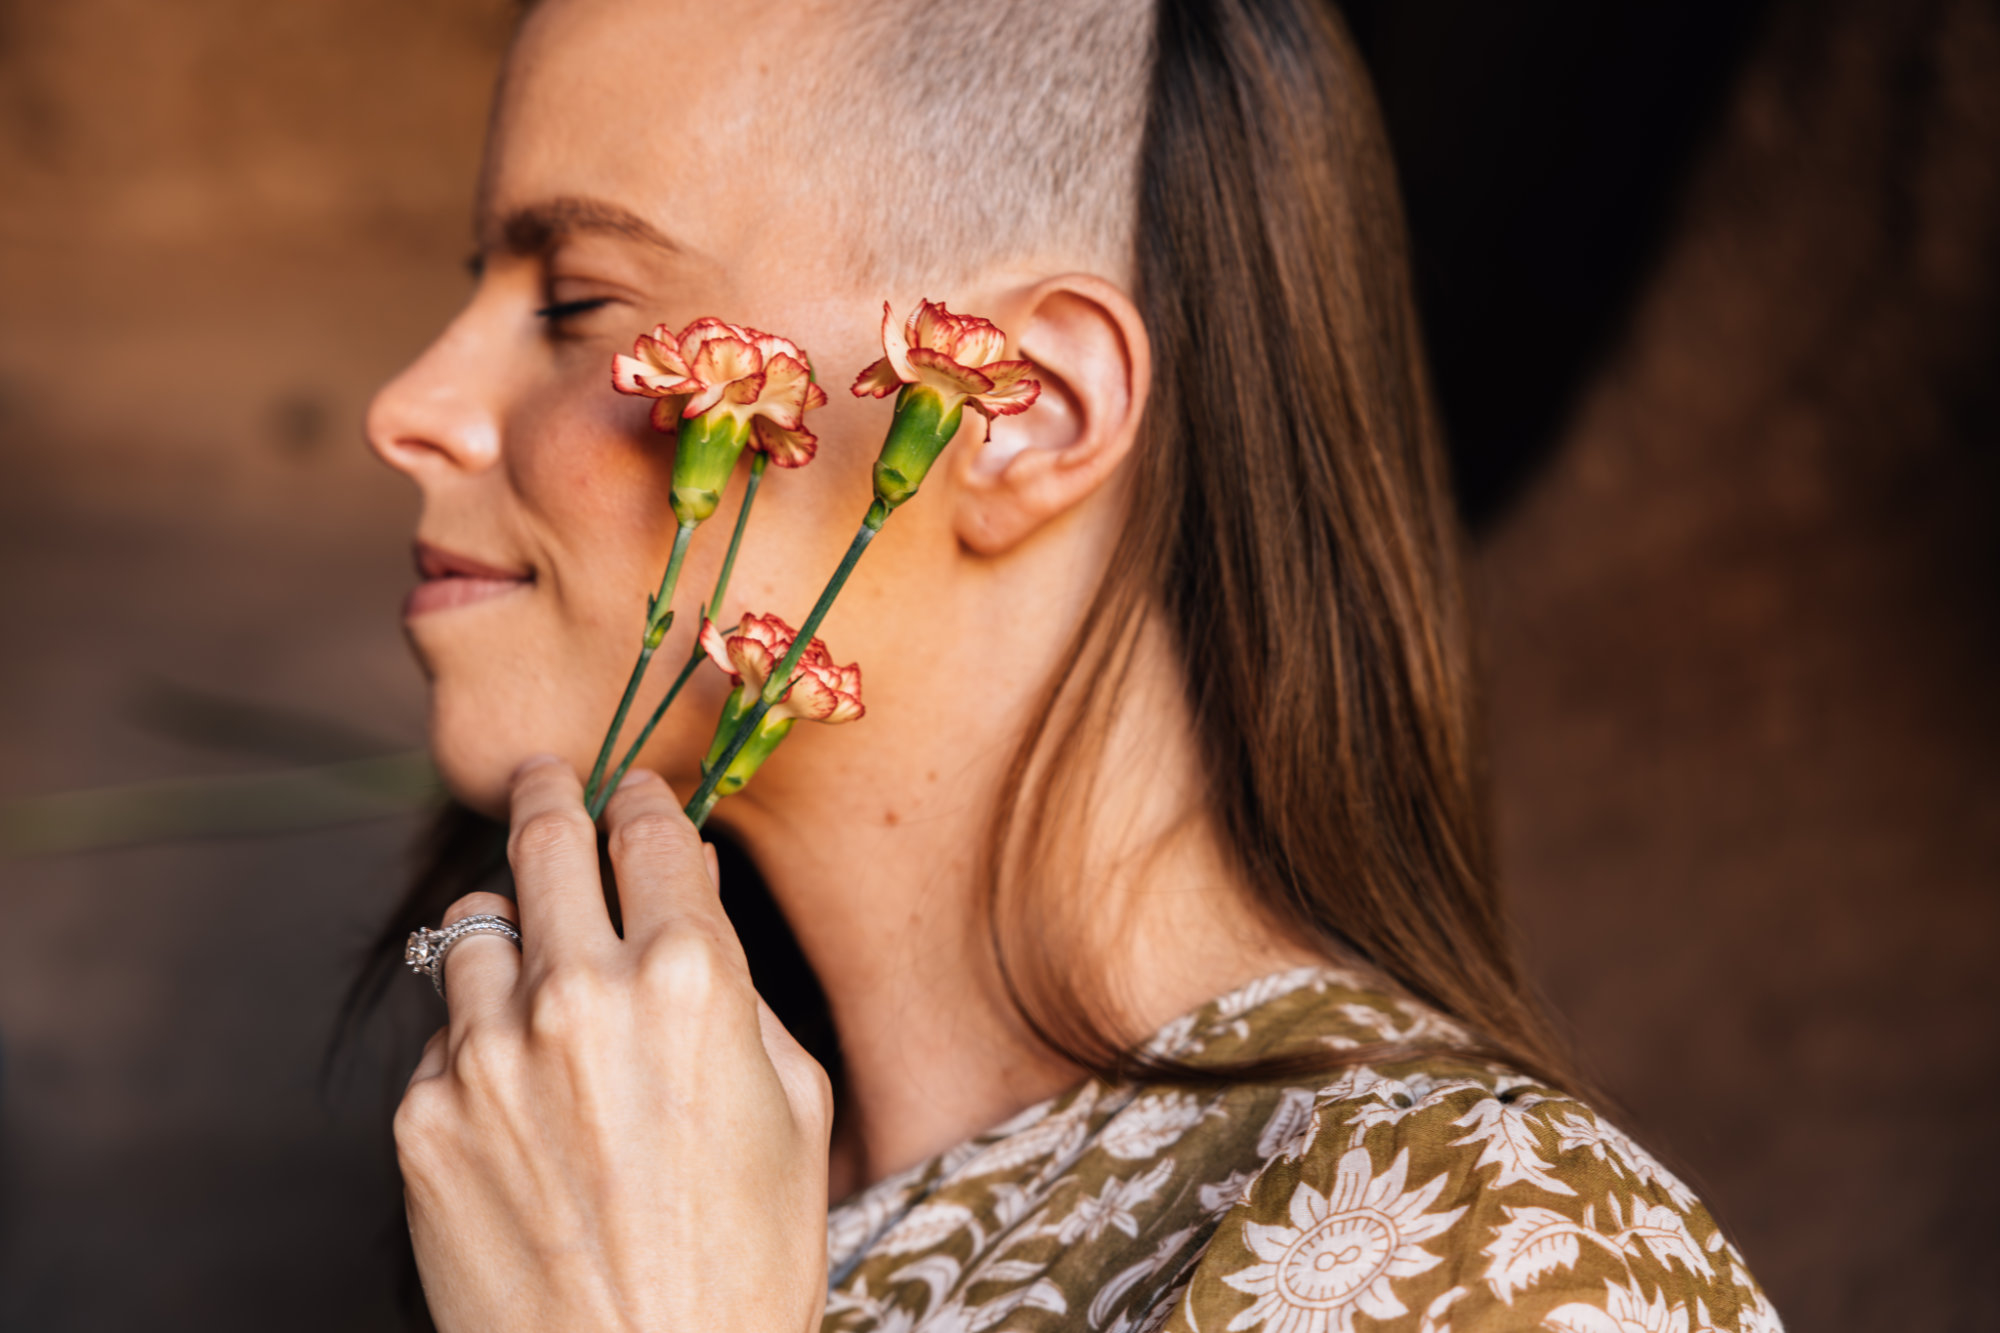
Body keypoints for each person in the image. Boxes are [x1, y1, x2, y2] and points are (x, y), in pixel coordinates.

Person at [359, 0, 1782, 1329]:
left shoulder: (1485, 1240)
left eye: (578, 304)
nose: (405, 406)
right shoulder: (595, 1181)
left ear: (1021, 411)